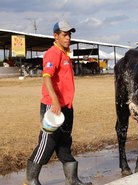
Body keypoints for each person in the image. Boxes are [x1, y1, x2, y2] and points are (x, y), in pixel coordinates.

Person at [24, 20, 91, 185]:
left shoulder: (65, 53)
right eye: (64, 34)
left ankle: (72, 180)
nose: (68, 37)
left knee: (65, 143)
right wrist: (54, 101)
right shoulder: (53, 53)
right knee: (47, 143)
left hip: (66, 107)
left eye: (69, 34)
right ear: (56, 36)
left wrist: (66, 104)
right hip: (53, 106)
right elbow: (46, 77)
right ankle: (30, 180)